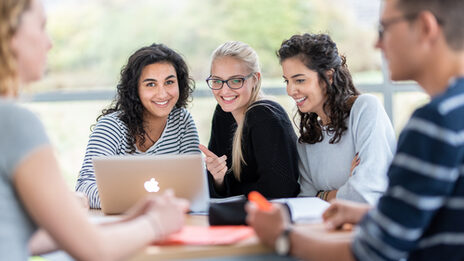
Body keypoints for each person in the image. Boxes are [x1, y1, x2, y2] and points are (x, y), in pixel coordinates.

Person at [246, 0, 464, 260]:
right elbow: (432, 218)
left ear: (426, 27)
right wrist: (365, 212)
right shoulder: (451, 114)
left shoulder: (434, 121)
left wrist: (282, 236)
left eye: (385, 29)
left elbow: (374, 250)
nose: (376, 44)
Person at [0, 0, 188, 260]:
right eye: (42, 27)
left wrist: (131, 219)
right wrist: (156, 223)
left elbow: (33, 239)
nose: (49, 43)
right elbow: (95, 250)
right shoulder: (13, 121)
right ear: (9, 34)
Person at [76, 43, 200, 208]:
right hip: (122, 225)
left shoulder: (182, 121)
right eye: (151, 84)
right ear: (135, 89)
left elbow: (194, 186)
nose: (163, 93)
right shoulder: (111, 127)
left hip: (171, 222)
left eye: (169, 82)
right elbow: (84, 188)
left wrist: (216, 178)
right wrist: (144, 203)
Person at [278, 33, 396, 204]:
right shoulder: (307, 142)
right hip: (326, 227)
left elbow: (365, 194)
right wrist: (348, 186)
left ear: (329, 77)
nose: (290, 90)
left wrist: (324, 195)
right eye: (287, 81)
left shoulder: (365, 109)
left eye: (300, 80)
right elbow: (305, 203)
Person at [199, 41, 300, 198]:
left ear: (255, 79)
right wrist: (217, 178)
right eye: (217, 81)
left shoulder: (264, 116)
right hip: (246, 213)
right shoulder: (224, 113)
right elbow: (220, 188)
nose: (224, 90)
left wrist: (231, 188)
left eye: (235, 80)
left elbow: (279, 190)